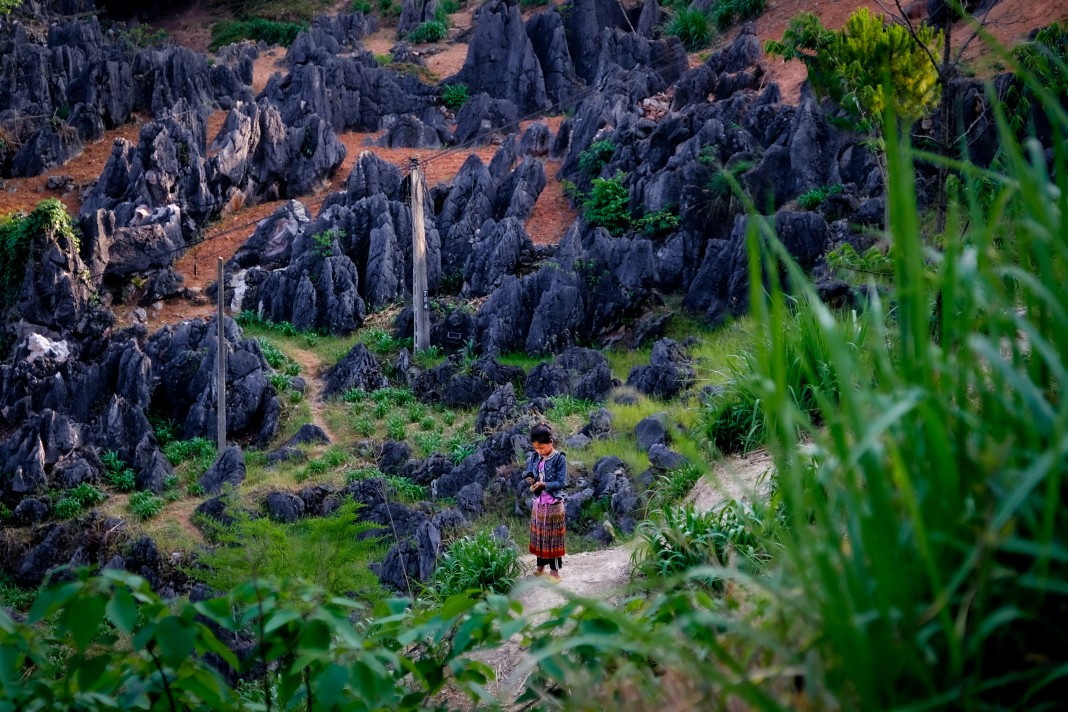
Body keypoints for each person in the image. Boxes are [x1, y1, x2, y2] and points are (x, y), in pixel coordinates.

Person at [525, 423, 567, 580]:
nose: (539, 451)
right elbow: (530, 471)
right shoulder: (536, 456)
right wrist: (531, 478)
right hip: (539, 503)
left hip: (553, 504)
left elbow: (561, 482)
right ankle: (540, 567)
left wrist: (544, 485)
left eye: (542, 448)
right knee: (540, 535)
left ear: (551, 442)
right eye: (536, 448)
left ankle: (555, 572)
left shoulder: (559, 459)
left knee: (553, 538)